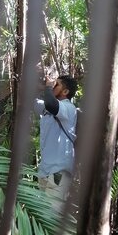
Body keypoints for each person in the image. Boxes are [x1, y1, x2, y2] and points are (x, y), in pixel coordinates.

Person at [35, 74, 78, 205]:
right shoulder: (47, 107)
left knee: (52, 218)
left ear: (65, 92)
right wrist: (41, 86)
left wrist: (48, 87)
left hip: (58, 172)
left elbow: (51, 103)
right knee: (44, 220)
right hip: (45, 172)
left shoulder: (68, 108)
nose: (53, 86)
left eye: (57, 84)